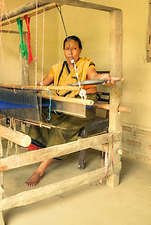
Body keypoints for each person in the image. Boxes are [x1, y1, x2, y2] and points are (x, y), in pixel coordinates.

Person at [25, 35, 116, 187]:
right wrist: (29, 89)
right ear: (63, 50)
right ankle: (43, 154)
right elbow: (42, 84)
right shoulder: (58, 68)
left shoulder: (87, 64)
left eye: (74, 48)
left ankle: (40, 171)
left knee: (61, 128)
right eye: (67, 48)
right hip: (62, 107)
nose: (70, 52)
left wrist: (101, 77)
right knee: (38, 118)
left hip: (83, 108)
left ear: (80, 50)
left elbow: (93, 75)